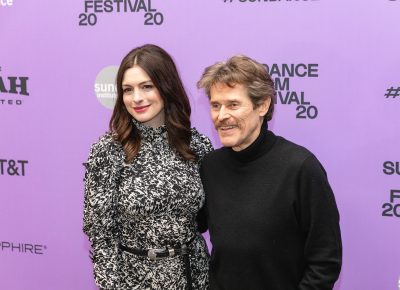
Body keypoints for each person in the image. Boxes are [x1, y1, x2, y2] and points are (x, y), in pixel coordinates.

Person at [197, 55, 342, 290]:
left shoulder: (301, 167)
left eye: (233, 104)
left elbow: (325, 262)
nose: (221, 115)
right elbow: (189, 227)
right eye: (215, 105)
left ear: (262, 105)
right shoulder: (210, 166)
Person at [83, 44, 213, 290]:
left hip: (194, 277)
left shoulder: (196, 145)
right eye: (127, 90)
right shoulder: (108, 151)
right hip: (136, 281)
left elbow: (208, 221)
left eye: (147, 86)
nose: (137, 98)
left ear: (166, 87)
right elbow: (101, 234)